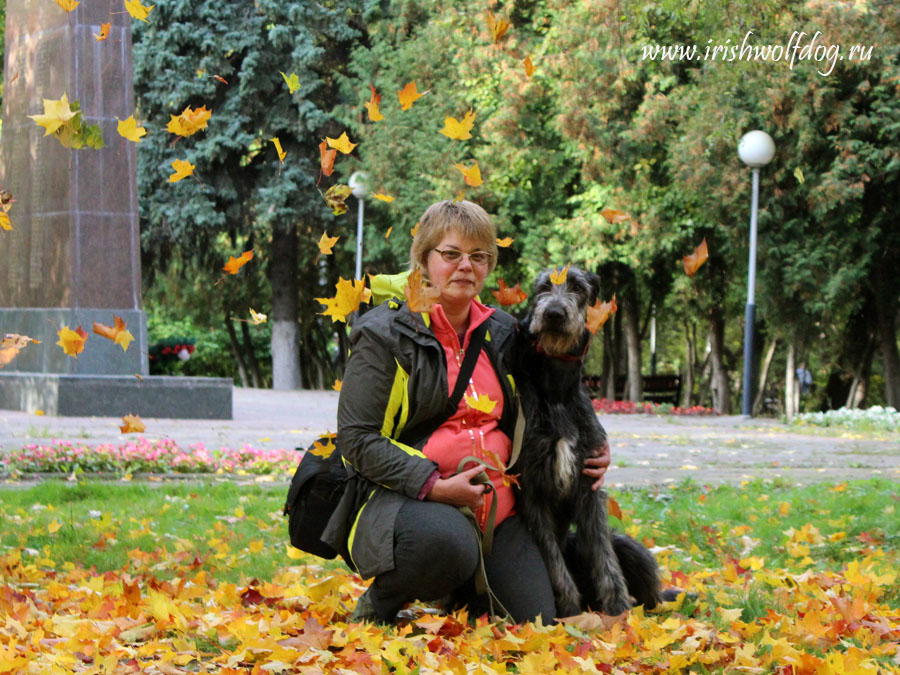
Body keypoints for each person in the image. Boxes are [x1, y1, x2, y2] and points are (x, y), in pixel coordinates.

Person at [321, 200, 611, 624]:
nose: (465, 267)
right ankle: (379, 604)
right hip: (404, 498)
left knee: (535, 620)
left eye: (478, 257)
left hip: (499, 508)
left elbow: (560, 383)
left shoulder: (504, 331)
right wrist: (434, 486)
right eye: (451, 254)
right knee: (447, 543)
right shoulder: (385, 333)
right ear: (424, 258)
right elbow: (357, 438)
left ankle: (466, 591)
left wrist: (595, 439)